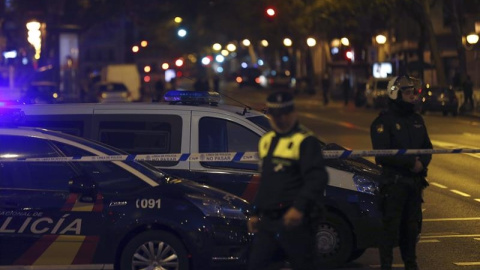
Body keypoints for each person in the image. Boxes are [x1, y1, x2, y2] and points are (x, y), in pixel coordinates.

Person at [247, 91, 329, 270]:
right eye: (276, 115)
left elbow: (317, 178)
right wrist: (255, 211)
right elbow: (267, 180)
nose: (280, 119)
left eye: (284, 114)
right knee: (256, 264)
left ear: (293, 113)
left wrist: (298, 208)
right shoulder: (267, 141)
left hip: (296, 221)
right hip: (269, 220)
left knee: (303, 264)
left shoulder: (305, 141)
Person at [370, 76, 432, 270]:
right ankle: (386, 265)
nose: (412, 96)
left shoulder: (416, 119)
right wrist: (410, 163)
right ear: (395, 94)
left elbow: (427, 147)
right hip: (394, 185)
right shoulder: (383, 122)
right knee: (390, 229)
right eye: (407, 92)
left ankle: (411, 265)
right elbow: (382, 154)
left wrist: (421, 163)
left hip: (414, 184)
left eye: (413, 92)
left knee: (411, 229)